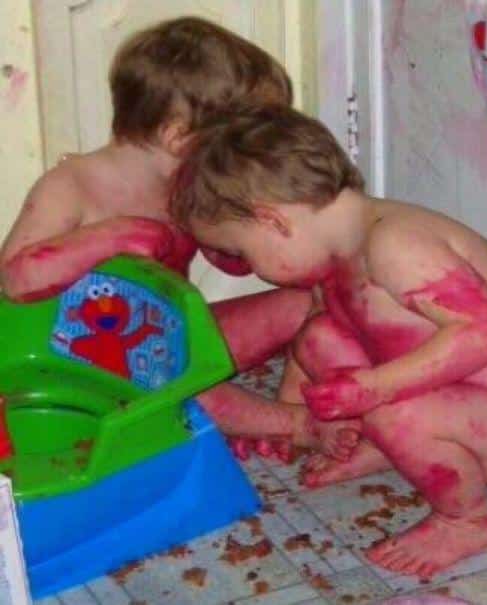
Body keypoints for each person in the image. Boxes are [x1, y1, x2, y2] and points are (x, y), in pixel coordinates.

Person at [170, 104, 487, 579]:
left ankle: (468, 520)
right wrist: (294, 412)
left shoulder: (396, 246)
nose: (251, 268)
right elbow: (319, 327)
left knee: (394, 411)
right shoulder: (338, 251)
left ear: (273, 221)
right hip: (448, 397)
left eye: (243, 252)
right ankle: (390, 445)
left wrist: (377, 388)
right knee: (319, 337)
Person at [0, 17, 360, 463]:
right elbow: (15, 279)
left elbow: (232, 262)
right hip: (83, 361)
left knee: (305, 302)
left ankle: (285, 405)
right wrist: (110, 237)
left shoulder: (188, 187)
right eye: (240, 142)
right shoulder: (70, 186)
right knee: (192, 392)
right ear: (178, 136)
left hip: (167, 341)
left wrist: (239, 244)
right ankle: (291, 424)